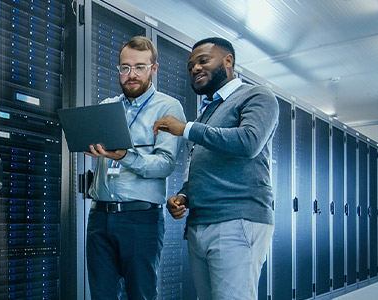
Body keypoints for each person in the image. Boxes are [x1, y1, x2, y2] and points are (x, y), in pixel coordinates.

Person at [153, 37, 279, 300]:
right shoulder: (207, 113)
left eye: (203, 61)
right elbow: (200, 167)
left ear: (228, 61)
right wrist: (185, 196)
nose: (195, 68)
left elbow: (249, 142)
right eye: (190, 66)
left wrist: (186, 128)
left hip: (236, 220)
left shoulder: (256, 96)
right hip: (200, 223)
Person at [84, 36, 186, 300]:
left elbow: (164, 165)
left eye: (140, 67)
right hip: (100, 216)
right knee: (101, 295)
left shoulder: (168, 108)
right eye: (125, 68)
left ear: (154, 69)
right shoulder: (107, 107)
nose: (131, 75)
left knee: (140, 294)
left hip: (141, 219)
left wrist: (125, 155)